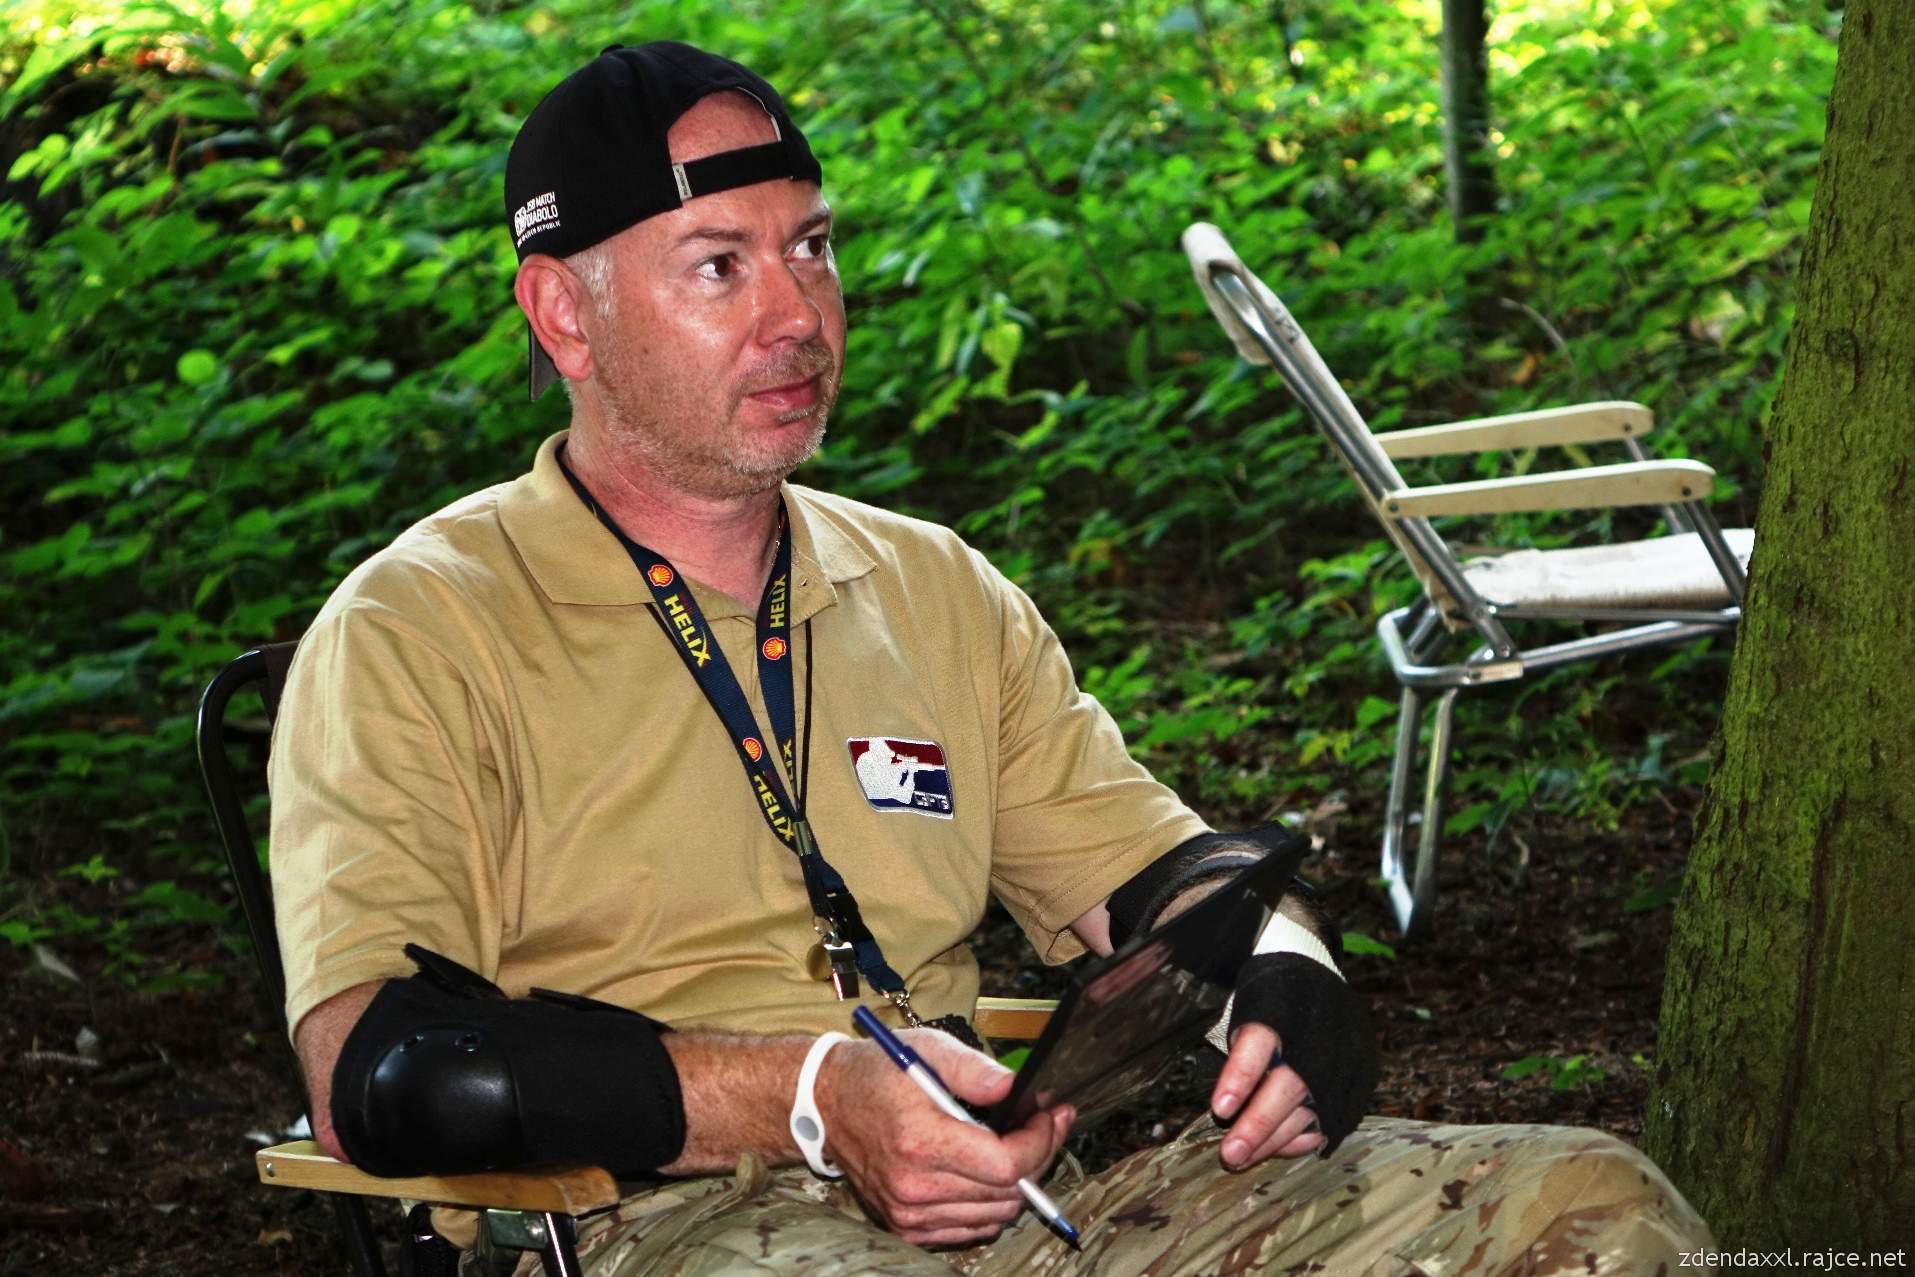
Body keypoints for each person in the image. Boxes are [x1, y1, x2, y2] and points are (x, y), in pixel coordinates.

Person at [268, 40, 1716, 1275]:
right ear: (563, 315)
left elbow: (1166, 880)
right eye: (720, 266)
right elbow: (386, 1073)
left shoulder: (932, 591)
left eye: (812, 247)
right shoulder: (422, 629)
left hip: (1027, 1203)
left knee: (1591, 1207)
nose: (798, 315)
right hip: (661, 1220)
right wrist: (813, 1097)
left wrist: (1292, 971)